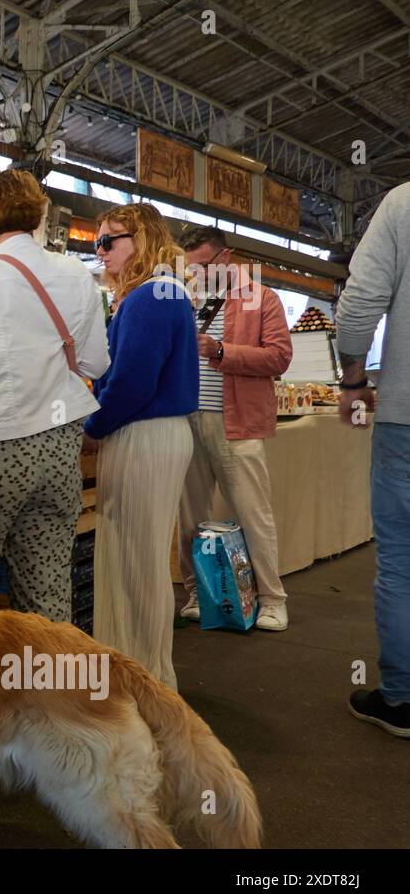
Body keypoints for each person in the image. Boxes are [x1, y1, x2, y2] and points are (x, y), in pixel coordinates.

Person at [0, 168, 109, 623]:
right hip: (57, 449)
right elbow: (95, 365)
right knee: (48, 592)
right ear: (35, 212)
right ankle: (51, 691)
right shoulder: (77, 275)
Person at [85, 203, 197, 691]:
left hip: (144, 432)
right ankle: (143, 671)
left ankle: (143, 677)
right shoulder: (163, 293)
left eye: (110, 240)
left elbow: (132, 382)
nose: (102, 251)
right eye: (97, 243)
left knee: (137, 559)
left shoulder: (152, 295)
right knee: (141, 556)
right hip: (155, 431)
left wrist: (93, 426)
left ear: (143, 239)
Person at [177, 227, 293, 631]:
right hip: (185, 421)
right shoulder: (187, 300)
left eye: (204, 266)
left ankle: (273, 599)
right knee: (190, 516)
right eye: (190, 268)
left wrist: (222, 351)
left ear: (226, 259)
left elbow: (279, 358)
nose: (197, 274)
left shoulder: (262, 298)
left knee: (252, 512)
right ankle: (199, 592)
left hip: (237, 421)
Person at [335, 181, 410, 738]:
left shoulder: (403, 203)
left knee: (403, 564)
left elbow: (360, 302)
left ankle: (404, 699)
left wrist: (355, 379)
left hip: (407, 420)